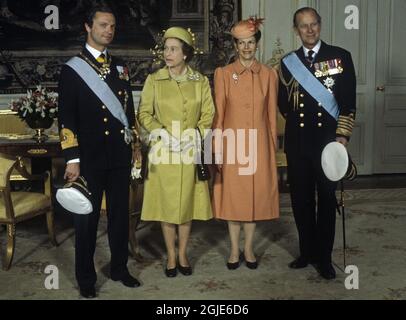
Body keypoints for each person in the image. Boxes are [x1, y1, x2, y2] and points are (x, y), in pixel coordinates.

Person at [58, 4, 141, 298]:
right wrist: (73, 159)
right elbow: (66, 119)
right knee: (86, 221)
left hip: (118, 156)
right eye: (103, 25)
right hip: (89, 160)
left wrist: (134, 147)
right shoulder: (72, 70)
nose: (109, 31)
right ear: (88, 27)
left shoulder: (120, 66)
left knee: (120, 217)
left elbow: (127, 111)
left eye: (112, 26)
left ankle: (119, 268)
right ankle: (86, 278)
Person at [278, 7, 356, 279]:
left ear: (320, 26)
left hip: (327, 142)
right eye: (303, 26)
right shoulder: (288, 62)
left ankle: (323, 257)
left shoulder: (340, 57)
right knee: (300, 201)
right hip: (298, 143)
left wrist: (342, 136)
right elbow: (283, 105)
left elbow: (348, 102)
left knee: (325, 199)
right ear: (296, 30)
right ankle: (306, 251)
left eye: (313, 25)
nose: (309, 30)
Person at [137, 27, 215, 278]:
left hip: (189, 149)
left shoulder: (200, 81)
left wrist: (195, 135)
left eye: (173, 49)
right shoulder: (154, 80)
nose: (167, 53)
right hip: (164, 151)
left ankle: (183, 253)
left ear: (185, 53)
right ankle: (171, 254)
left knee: (185, 204)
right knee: (167, 204)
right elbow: (144, 114)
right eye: (166, 48)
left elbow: (208, 114)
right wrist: (161, 133)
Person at [212, 17, 280, 270]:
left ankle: (249, 248)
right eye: (241, 43)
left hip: (259, 145)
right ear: (235, 46)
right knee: (234, 198)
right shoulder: (223, 74)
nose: (246, 48)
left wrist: (271, 148)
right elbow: (218, 114)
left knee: (253, 198)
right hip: (232, 144)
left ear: (257, 44)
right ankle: (233, 249)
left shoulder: (269, 75)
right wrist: (217, 148)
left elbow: (271, 115)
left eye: (250, 42)